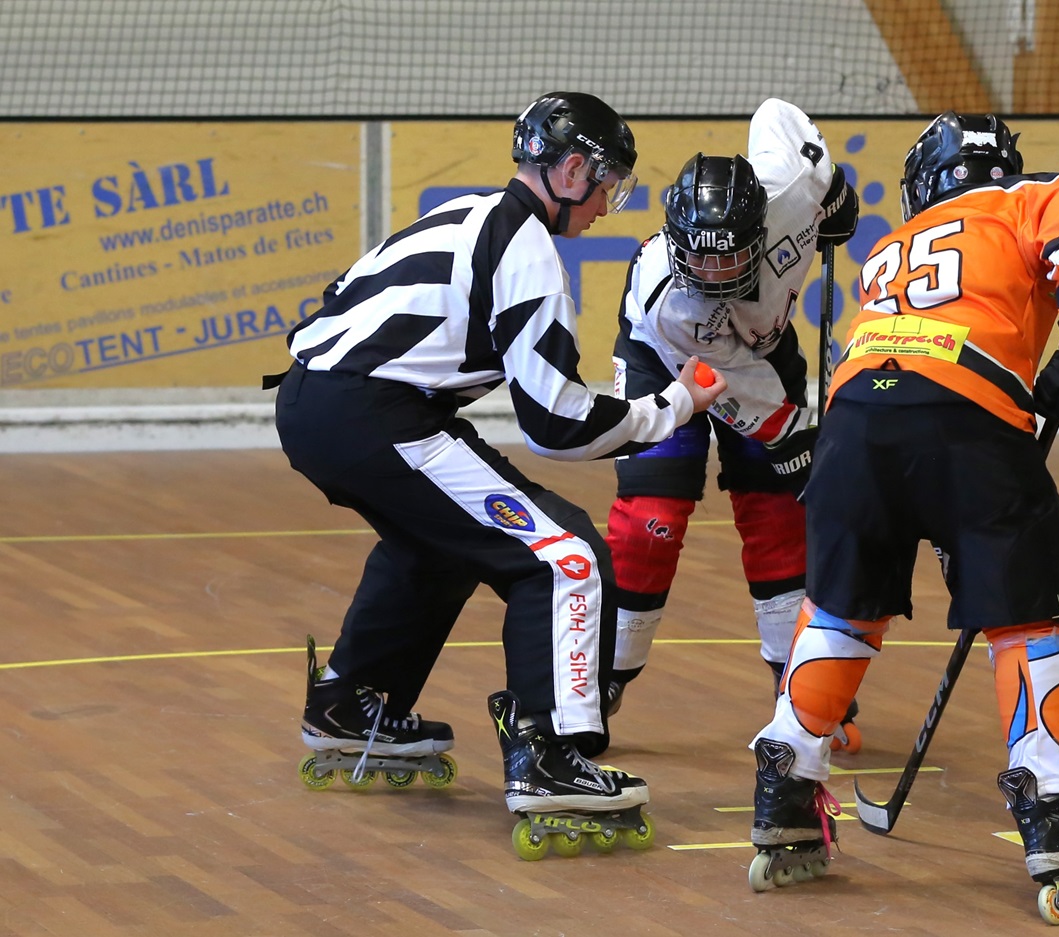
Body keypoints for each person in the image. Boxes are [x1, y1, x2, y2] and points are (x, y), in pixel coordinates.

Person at [271, 92, 726, 823]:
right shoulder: (527, 247)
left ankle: (349, 702)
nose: (605, 206)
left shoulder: (467, 211)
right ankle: (547, 755)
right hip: (374, 412)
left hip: (314, 399)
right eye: (608, 185)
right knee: (565, 554)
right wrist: (672, 406)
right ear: (571, 172)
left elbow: (341, 298)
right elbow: (555, 423)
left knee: (442, 543)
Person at [746, 111, 1059, 905]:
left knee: (841, 609)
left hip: (853, 424)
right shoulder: (1016, 199)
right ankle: (1051, 809)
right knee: (1027, 617)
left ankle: (787, 783)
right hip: (965, 414)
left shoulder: (890, 246)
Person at [601, 98, 863, 748]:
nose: (712, 271)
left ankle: (797, 687)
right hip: (668, 363)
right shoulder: (669, 301)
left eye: (728, 257)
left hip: (764, 351)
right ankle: (602, 679)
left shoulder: (793, 190)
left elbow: (776, 114)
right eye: (699, 258)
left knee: (779, 516)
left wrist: (832, 189)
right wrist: (804, 445)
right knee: (653, 518)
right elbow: (736, 393)